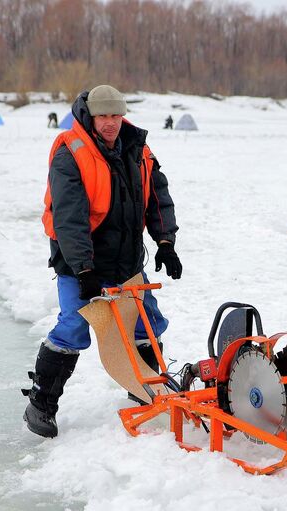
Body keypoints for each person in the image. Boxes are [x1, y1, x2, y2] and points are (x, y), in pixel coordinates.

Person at [23, 84, 182, 438]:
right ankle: (40, 404)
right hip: (82, 261)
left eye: (116, 115)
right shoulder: (71, 152)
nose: (110, 123)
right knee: (73, 328)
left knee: (146, 322)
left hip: (126, 260)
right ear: (90, 116)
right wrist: (84, 269)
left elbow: (157, 197)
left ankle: (142, 390)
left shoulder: (138, 149)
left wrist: (165, 241)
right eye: (103, 116)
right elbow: (69, 217)